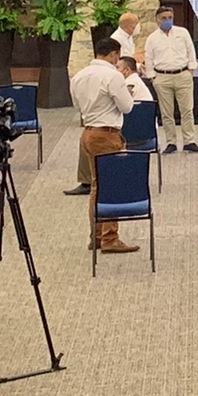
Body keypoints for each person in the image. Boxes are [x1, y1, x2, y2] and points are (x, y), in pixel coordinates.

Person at [71, 37, 137, 253]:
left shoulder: (78, 76)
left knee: (96, 187)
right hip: (107, 134)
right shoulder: (113, 75)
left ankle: (96, 235)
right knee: (111, 185)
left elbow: (77, 105)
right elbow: (127, 107)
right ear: (113, 54)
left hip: (88, 132)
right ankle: (110, 237)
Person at [143, 6, 198, 154]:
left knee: (187, 110)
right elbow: (148, 57)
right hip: (162, 77)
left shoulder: (182, 33)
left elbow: (190, 50)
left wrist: (191, 69)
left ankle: (189, 141)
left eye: (170, 17)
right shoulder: (152, 39)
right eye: (164, 18)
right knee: (167, 112)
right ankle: (171, 142)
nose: (167, 20)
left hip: (182, 74)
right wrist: (152, 77)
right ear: (157, 20)